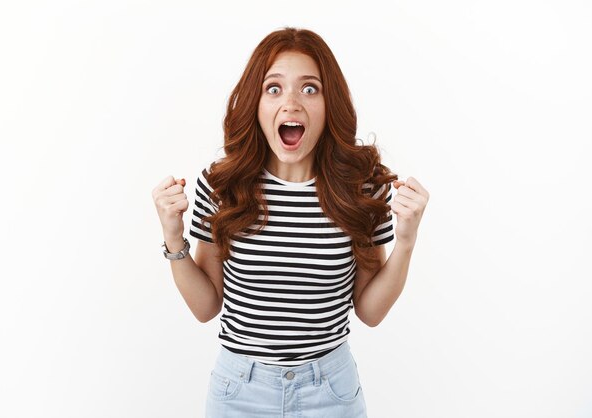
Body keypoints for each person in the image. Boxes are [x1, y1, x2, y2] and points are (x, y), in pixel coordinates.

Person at [152, 27, 429, 418]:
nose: (292, 103)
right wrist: (173, 236)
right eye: (274, 88)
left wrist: (405, 242)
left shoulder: (359, 187)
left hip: (330, 393)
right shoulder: (223, 185)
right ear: (256, 102)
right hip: (240, 393)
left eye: (310, 89)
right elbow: (205, 306)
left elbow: (370, 311)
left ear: (330, 103)